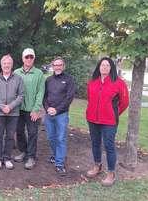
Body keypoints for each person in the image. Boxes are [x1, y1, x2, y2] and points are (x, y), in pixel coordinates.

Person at [85, 57, 129, 187]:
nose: (104, 67)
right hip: (92, 119)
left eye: (107, 65)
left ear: (111, 68)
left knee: (109, 146)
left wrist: (113, 113)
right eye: (102, 65)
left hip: (109, 121)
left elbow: (125, 102)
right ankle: (97, 165)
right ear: (99, 67)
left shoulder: (119, 83)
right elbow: (90, 99)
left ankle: (111, 173)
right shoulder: (92, 82)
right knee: (95, 143)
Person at [43, 57, 76, 176]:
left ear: (63, 66)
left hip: (61, 114)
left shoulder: (69, 80)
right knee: (51, 137)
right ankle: (55, 155)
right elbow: (44, 97)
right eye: (55, 65)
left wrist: (57, 110)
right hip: (49, 114)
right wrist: (48, 109)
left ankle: (59, 164)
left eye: (60, 65)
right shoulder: (48, 80)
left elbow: (69, 98)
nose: (57, 67)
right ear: (53, 66)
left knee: (61, 138)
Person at [0, 54, 24, 170]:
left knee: (10, 137)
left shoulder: (18, 79)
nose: (6, 65)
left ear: (12, 65)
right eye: (4, 63)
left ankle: (7, 158)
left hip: (13, 113)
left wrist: (10, 106)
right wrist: (2, 106)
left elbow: (21, 96)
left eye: (8, 63)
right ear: (1, 65)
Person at [13, 48, 45, 170]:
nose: (29, 59)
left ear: (34, 59)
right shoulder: (16, 72)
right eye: (27, 57)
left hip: (32, 110)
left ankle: (31, 157)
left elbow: (40, 92)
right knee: (19, 131)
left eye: (31, 57)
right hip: (18, 109)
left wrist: (36, 109)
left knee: (32, 133)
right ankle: (23, 152)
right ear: (23, 58)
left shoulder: (39, 74)